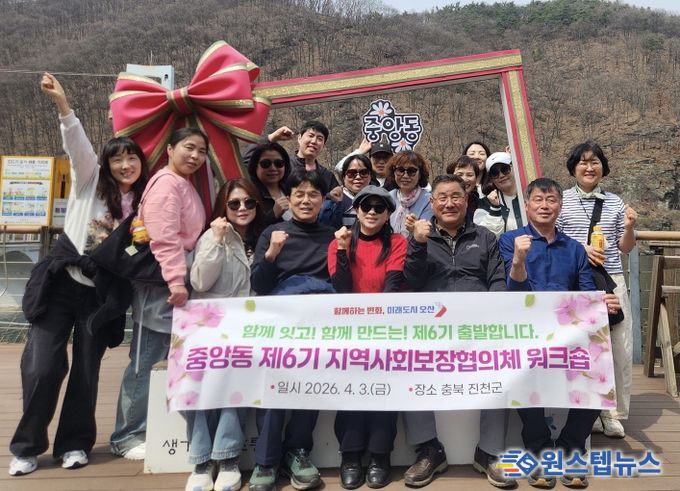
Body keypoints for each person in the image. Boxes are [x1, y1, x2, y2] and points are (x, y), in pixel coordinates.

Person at [9, 73, 148, 476]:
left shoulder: (145, 204)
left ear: (142, 163)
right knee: (41, 367)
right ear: (107, 163)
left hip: (99, 295)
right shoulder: (89, 181)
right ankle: (27, 447)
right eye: (117, 158)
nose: (125, 165)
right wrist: (63, 105)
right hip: (60, 284)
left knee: (87, 370)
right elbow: (78, 144)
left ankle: (74, 444)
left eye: (132, 158)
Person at [498, 177, 621, 490]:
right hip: (526, 333)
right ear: (527, 205)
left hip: (568, 333)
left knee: (600, 374)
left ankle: (570, 447)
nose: (544, 206)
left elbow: (586, 291)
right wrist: (519, 260)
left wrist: (603, 302)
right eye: (538, 200)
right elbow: (513, 295)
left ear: (559, 206)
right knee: (520, 376)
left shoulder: (574, 248)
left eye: (551, 200)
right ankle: (539, 450)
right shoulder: (510, 240)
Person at [404, 175, 514, 489]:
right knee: (408, 370)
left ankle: (489, 452)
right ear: (432, 203)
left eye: (456, 196)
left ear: (467, 202)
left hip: (478, 327)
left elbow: (497, 280)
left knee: (501, 371)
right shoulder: (420, 235)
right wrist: (417, 243)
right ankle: (429, 450)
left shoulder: (485, 237)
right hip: (431, 329)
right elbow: (411, 281)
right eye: (442, 197)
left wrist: (493, 318)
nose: (449, 203)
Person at [110, 127, 208, 461]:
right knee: (146, 358)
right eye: (189, 148)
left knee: (162, 355)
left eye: (201, 151)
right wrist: (176, 281)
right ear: (169, 149)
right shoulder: (167, 184)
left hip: (170, 282)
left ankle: (146, 428)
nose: (195, 156)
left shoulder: (181, 183)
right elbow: (163, 238)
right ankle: (126, 435)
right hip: (161, 286)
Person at [249, 169, 335, 491]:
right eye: (299, 194)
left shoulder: (332, 235)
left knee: (309, 388)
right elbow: (259, 285)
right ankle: (266, 460)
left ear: (323, 200)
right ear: (289, 198)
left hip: (318, 326)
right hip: (279, 326)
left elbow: (342, 284)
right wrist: (271, 253)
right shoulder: (272, 233)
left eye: (313, 195)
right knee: (273, 388)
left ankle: (298, 452)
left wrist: (341, 250)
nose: (306, 200)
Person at [183, 179, 265, 491]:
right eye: (234, 203)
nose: (242, 208)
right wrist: (217, 241)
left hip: (247, 329)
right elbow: (200, 282)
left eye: (248, 202)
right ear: (224, 207)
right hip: (209, 328)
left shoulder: (262, 237)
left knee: (235, 390)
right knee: (201, 392)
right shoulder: (212, 235)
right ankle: (201, 461)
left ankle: (228, 458)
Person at [556, 142, 638, 439]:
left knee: (618, 346)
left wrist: (629, 227)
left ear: (603, 167)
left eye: (595, 162)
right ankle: (587, 409)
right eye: (583, 162)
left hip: (611, 278)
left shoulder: (615, 202)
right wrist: (582, 249)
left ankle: (613, 413)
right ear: (573, 168)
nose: (589, 167)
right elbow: (554, 237)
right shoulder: (561, 200)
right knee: (581, 347)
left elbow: (625, 247)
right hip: (576, 279)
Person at [327, 186, 405, 489]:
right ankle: (350, 455)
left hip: (385, 330)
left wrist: (378, 327)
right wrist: (342, 249)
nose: (372, 212)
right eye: (366, 206)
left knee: (384, 393)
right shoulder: (338, 242)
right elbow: (341, 288)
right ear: (356, 211)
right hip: (349, 331)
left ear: (388, 215)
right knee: (350, 393)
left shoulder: (397, 242)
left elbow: (393, 285)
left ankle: (380, 456)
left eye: (379, 208)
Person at [265, 121, 339, 195]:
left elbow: (337, 199)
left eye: (320, 139)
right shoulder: (282, 166)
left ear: (323, 146)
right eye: (310, 136)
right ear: (299, 138)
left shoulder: (328, 176)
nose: (314, 141)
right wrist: (270, 138)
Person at [474, 152, 524, 236]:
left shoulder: (531, 196)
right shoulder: (485, 204)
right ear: (491, 179)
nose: (501, 175)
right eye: (495, 173)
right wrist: (494, 209)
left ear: (514, 168)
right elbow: (483, 236)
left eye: (505, 169)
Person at [320, 154, 375, 229]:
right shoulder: (332, 201)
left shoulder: (378, 199)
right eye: (351, 173)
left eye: (364, 172)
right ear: (343, 177)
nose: (358, 177)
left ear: (370, 176)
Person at [386, 151, 432, 237]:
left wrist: (416, 229)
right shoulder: (387, 197)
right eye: (400, 170)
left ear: (420, 174)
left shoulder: (429, 200)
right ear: (394, 172)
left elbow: (427, 235)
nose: (405, 176)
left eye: (411, 171)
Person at [246, 141, 291, 226]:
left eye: (279, 163)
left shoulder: (292, 189)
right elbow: (248, 229)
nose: (273, 168)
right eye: (265, 163)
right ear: (255, 166)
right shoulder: (249, 195)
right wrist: (273, 214)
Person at [446, 155, 481, 220]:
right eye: (459, 175)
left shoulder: (481, 204)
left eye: (470, 175)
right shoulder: (442, 202)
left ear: (476, 178)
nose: (464, 179)